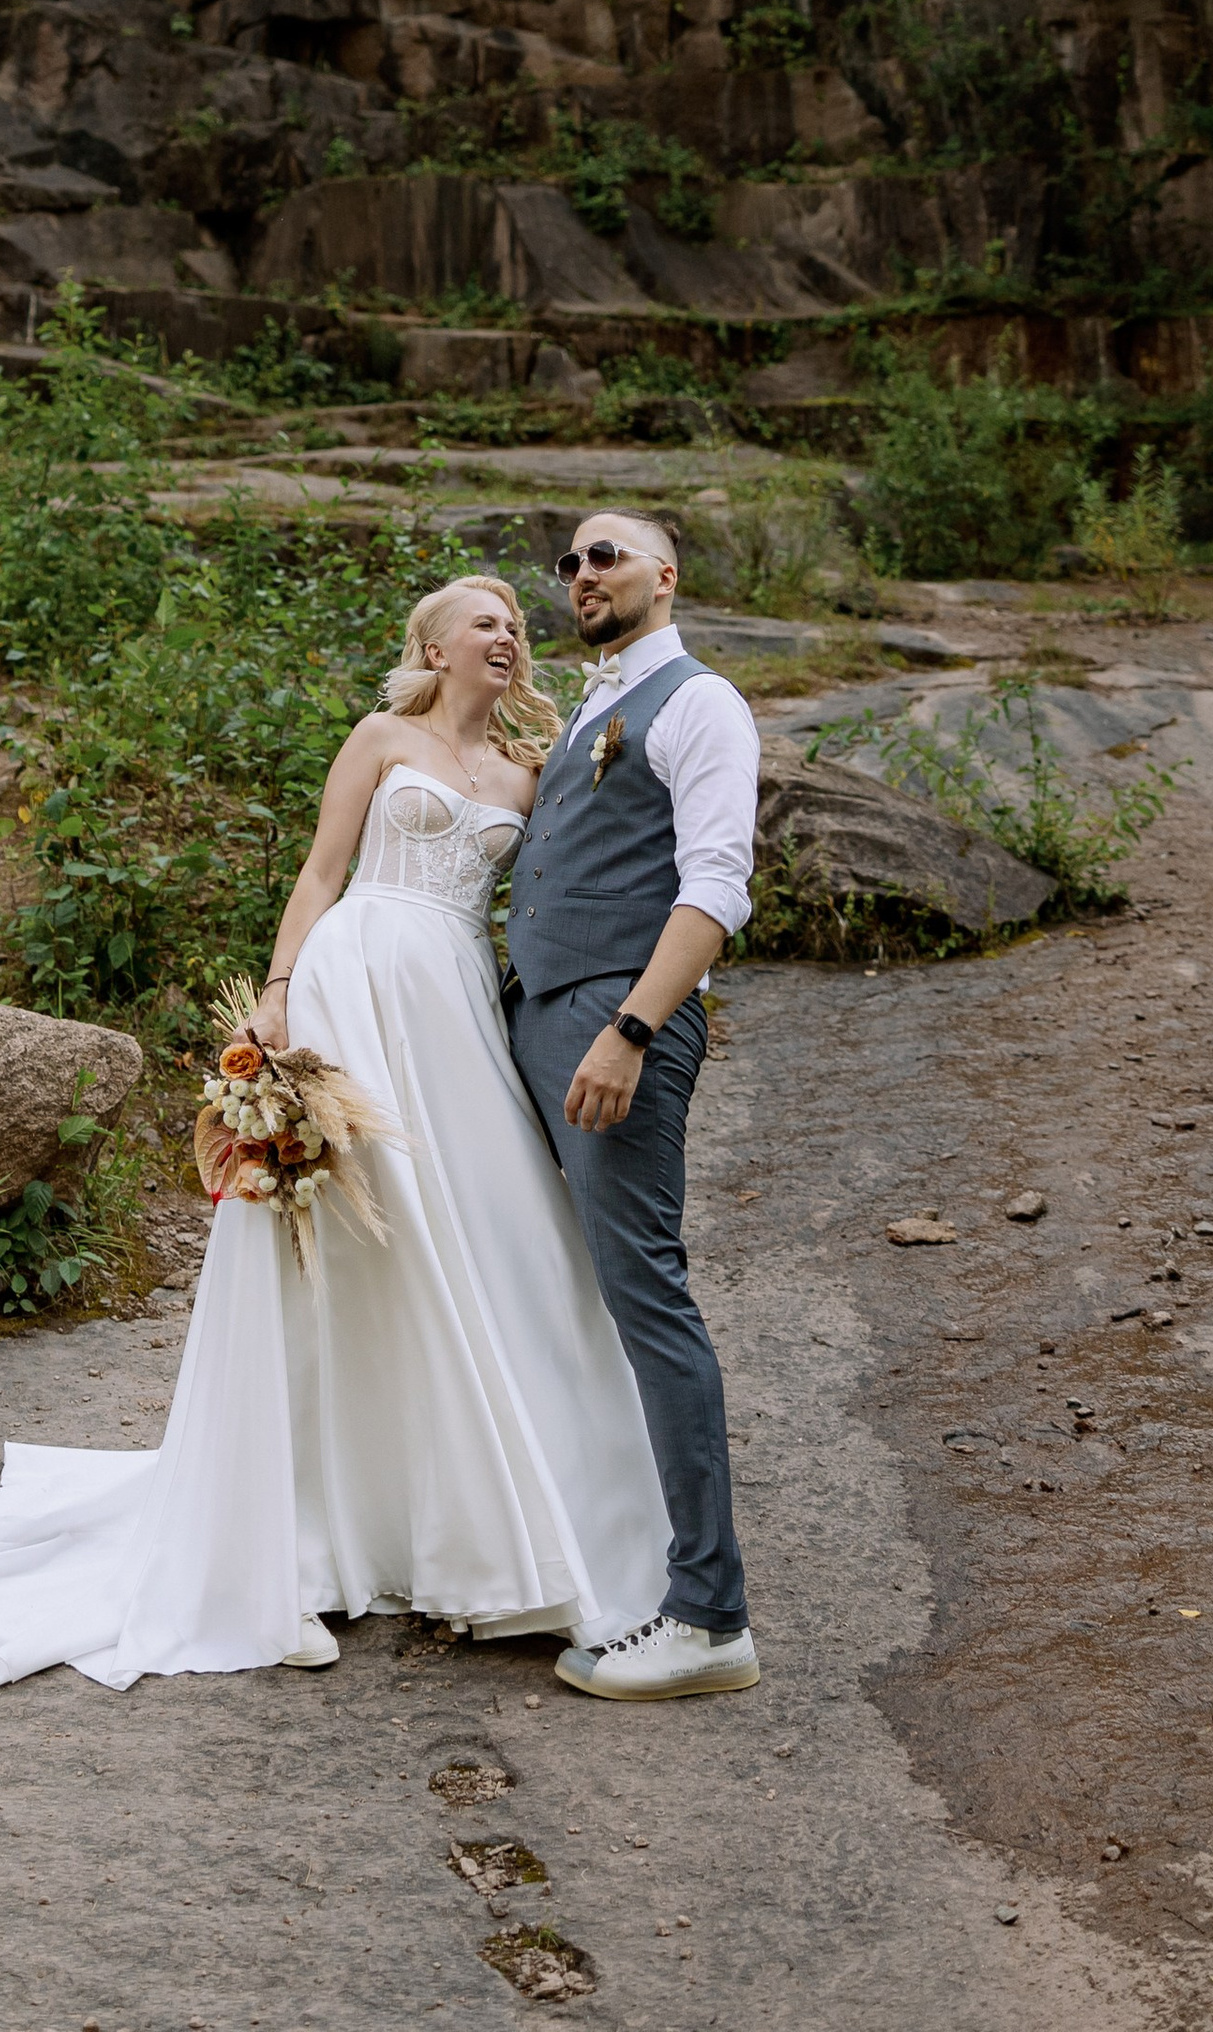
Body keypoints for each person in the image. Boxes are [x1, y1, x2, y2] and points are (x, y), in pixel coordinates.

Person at [0, 575, 671, 1687]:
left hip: (453, 1004)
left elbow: (566, 881)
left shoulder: (527, 775)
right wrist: (280, 990)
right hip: (356, 982)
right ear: (434, 645)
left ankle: (485, 1520)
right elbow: (321, 870)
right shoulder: (380, 735)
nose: (506, 636)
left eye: (513, 627)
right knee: (352, 1235)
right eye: (483, 622)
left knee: (491, 1234)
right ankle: (305, 1531)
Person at [504, 509, 761, 1702]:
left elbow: (715, 886)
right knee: (559, 1290)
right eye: (568, 563)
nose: (582, 574)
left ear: (667, 575)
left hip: (617, 1026)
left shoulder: (698, 703)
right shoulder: (591, 712)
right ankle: (582, 1553)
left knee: (647, 1294)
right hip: (548, 1016)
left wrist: (631, 1029)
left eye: (606, 555)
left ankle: (709, 1617)